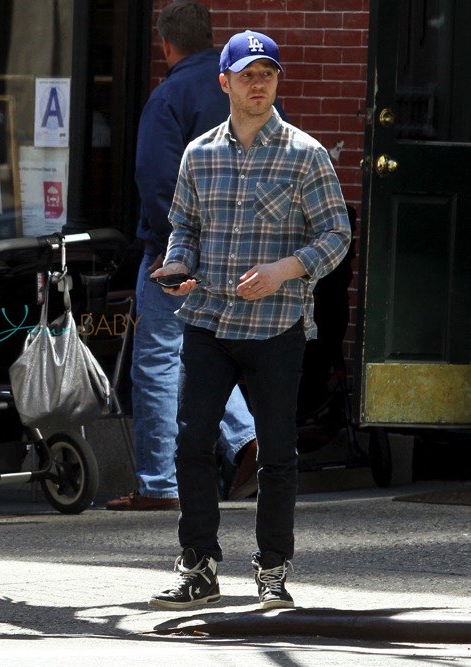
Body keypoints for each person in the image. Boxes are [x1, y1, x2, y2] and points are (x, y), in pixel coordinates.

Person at [149, 30, 351, 609]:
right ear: (225, 83)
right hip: (208, 319)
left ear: (277, 82)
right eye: (246, 74)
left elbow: (336, 235)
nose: (257, 83)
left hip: (276, 326)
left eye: (267, 73)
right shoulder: (199, 154)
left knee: (277, 453)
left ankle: (272, 571)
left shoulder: (305, 154)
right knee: (191, 444)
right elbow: (182, 228)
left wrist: (287, 268)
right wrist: (179, 265)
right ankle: (198, 565)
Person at [107, 0, 258, 512]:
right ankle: (246, 443)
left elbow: (157, 181)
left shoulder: (168, 97)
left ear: (165, 45)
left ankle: (157, 483)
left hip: (184, 253)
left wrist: (174, 251)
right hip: (244, 250)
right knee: (204, 355)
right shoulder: (243, 94)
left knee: (157, 361)